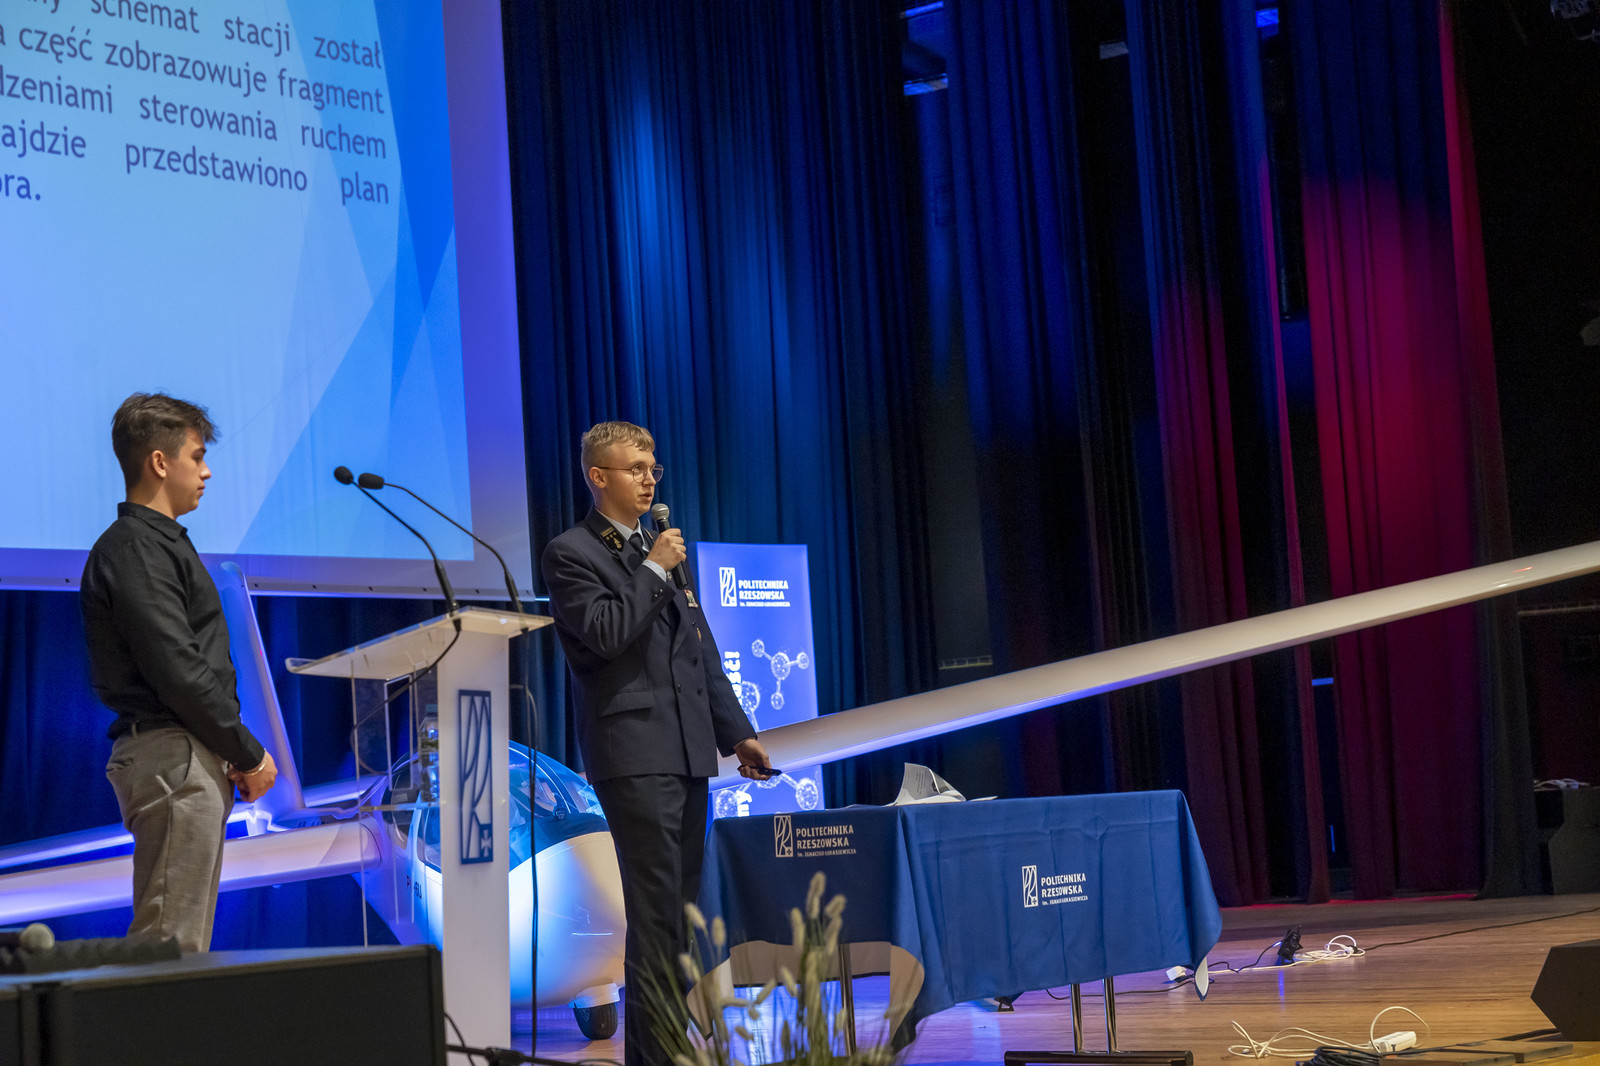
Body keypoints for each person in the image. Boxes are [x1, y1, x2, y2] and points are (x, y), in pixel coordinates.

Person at [542, 420, 774, 1066]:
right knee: (655, 914)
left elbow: (699, 649)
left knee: (678, 916)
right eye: (635, 469)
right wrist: (651, 569)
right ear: (599, 477)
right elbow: (605, 632)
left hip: (688, 750)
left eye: (654, 469)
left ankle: (664, 1050)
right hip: (633, 753)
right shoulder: (571, 553)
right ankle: (657, 1057)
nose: (649, 480)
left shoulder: (659, 549)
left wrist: (738, 733)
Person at [79, 393, 278, 953]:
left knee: (179, 951)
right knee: (169, 951)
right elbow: (178, 670)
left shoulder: (153, 545)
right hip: (174, 757)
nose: (206, 470)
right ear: (160, 463)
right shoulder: (136, 548)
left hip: (184, 754)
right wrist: (247, 753)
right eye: (197, 456)